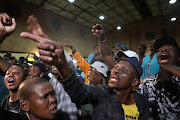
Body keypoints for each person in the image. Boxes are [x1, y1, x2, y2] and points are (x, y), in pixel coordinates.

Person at [20, 31, 151, 120]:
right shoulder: (103, 94)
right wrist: (61, 65)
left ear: (134, 82)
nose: (115, 70)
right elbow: (79, 92)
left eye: (124, 70)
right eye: (116, 67)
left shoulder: (142, 102)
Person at [140, 36, 180, 119]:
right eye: (159, 50)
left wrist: (168, 68)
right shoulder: (148, 82)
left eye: (170, 49)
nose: (163, 50)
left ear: (178, 57)